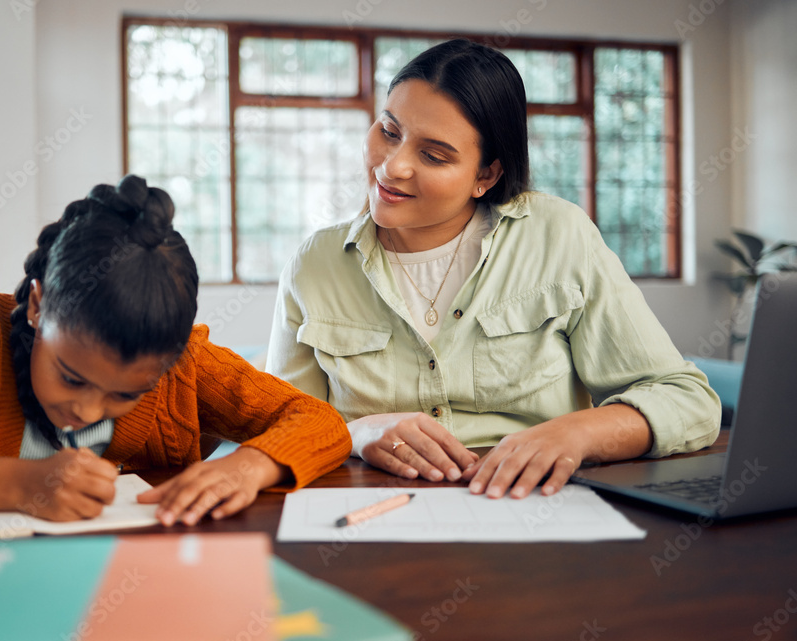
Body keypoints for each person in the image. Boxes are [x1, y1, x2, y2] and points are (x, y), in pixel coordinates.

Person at [266, 39, 720, 500]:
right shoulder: (315, 263)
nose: (394, 166)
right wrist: (359, 432)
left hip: (532, 507)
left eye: (434, 155)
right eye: (389, 130)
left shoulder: (558, 236)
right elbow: (279, 424)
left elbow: (686, 399)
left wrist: (575, 434)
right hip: (375, 512)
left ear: (486, 175)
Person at [0, 175, 350, 525]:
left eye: (125, 394)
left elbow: (319, 421)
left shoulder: (183, 366)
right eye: (71, 377)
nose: (87, 409)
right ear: (38, 305)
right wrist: (18, 485)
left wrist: (247, 467)